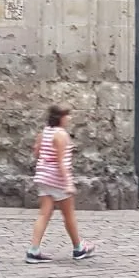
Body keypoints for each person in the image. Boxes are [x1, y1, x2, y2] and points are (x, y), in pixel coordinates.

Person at [25, 105, 97, 264]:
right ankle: (78, 248)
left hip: (43, 176)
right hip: (57, 179)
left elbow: (36, 152)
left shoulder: (43, 132)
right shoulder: (61, 135)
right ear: (61, 118)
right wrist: (68, 183)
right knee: (68, 214)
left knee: (44, 214)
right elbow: (61, 161)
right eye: (67, 115)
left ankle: (33, 250)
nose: (70, 118)